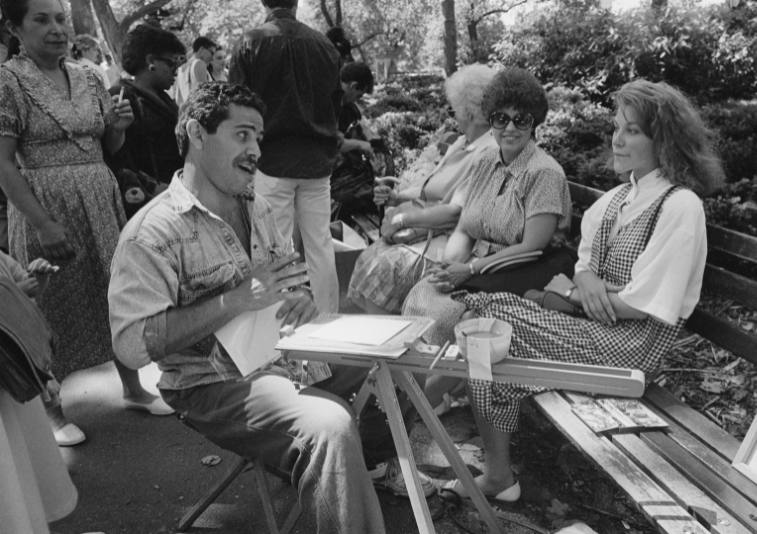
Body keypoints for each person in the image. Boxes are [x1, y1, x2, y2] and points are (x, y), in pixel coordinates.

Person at [108, 82, 390, 534]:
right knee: (330, 426)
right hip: (210, 385)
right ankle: (336, 474)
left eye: (259, 137)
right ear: (197, 133)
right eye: (242, 135)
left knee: (392, 367)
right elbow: (131, 347)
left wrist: (296, 299)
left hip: (284, 357)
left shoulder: (257, 206)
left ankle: (350, 474)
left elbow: (288, 283)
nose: (256, 149)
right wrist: (234, 299)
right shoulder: (151, 233)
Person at [440, 79, 724, 504]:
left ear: (663, 140)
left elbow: (639, 309)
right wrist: (590, 281)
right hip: (595, 331)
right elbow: (586, 266)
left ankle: (490, 469)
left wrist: (578, 293)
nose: (617, 139)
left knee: (485, 317)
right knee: (483, 324)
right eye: (617, 127)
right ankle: (495, 471)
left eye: (632, 131)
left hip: (631, 350)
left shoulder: (679, 207)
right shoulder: (617, 199)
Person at [0, 0, 171, 416]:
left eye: (60, 18)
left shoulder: (89, 78)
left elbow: (108, 148)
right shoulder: (9, 82)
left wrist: (117, 128)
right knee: (50, 300)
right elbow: (2, 161)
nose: (57, 28)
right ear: (14, 28)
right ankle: (52, 411)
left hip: (99, 198)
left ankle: (132, 386)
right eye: (41, 19)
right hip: (46, 205)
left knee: (114, 291)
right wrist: (41, 222)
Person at [402, 68, 574, 341]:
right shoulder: (486, 161)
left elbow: (531, 248)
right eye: (501, 118)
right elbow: (465, 227)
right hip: (479, 266)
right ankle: (421, 379)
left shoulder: (544, 173)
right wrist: (449, 265)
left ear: (534, 123)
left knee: (449, 313)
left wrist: (468, 270)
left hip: (524, 271)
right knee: (422, 293)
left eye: (521, 120)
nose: (510, 128)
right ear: (490, 119)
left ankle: (440, 380)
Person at [347, 64, 498, 314]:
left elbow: (455, 213)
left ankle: (392, 342)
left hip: (454, 241)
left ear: (470, 112)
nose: (454, 114)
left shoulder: (488, 151)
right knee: (371, 259)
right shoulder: (463, 142)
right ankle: (385, 340)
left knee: (384, 267)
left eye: (456, 107)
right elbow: (430, 188)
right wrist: (396, 197)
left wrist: (403, 218)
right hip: (429, 230)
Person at [229, 0, 342, 315]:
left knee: (273, 248)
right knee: (319, 244)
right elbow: (337, 102)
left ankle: (283, 327)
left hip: (271, 161)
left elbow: (234, 106)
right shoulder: (324, 45)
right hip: (316, 161)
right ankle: (326, 321)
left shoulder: (251, 42)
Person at [107, 24, 185, 217]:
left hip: (176, 192)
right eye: (172, 63)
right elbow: (118, 156)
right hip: (150, 203)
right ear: (151, 61)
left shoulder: (163, 97)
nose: (176, 71)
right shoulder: (121, 96)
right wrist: (151, 187)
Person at [172, 35, 215, 107]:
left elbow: (178, 99)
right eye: (212, 53)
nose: (212, 58)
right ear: (201, 49)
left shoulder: (181, 68)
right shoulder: (199, 63)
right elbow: (206, 94)